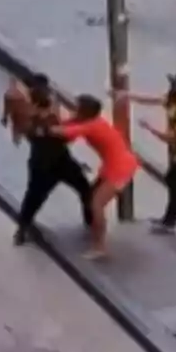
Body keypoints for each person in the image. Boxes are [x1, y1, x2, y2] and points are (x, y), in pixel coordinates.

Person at [119, 71, 176, 248]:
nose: (171, 87)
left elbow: (172, 138)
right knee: (175, 186)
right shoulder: (175, 100)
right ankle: (169, 221)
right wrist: (127, 95)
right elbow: (152, 99)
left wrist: (149, 127)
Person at [7, 75, 95, 246]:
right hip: (58, 161)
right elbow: (60, 135)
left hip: (43, 163)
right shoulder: (43, 116)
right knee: (83, 189)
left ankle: (22, 229)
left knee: (34, 197)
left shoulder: (30, 116)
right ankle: (91, 223)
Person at [50, 94, 139, 260]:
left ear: (84, 111)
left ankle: (100, 246)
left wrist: (48, 125)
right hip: (114, 165)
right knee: (91, 197)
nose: (73, 110)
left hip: (119, 169)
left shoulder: (92, 126)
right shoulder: (94, 122)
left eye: (76, 108)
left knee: (96, 204)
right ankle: (95, 232)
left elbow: (63, 132)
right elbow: (70, 134)